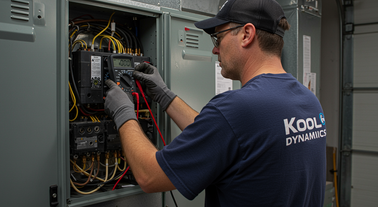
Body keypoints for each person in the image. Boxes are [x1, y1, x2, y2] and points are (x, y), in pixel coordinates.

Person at [104, 0, 327, 206]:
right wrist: (164, 96)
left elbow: (149, 176)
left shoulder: (237, 108)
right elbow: (223, 138)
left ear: (246, 34)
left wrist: (124, 112)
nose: (214, 49)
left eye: (218, 38)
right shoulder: (308, 101)